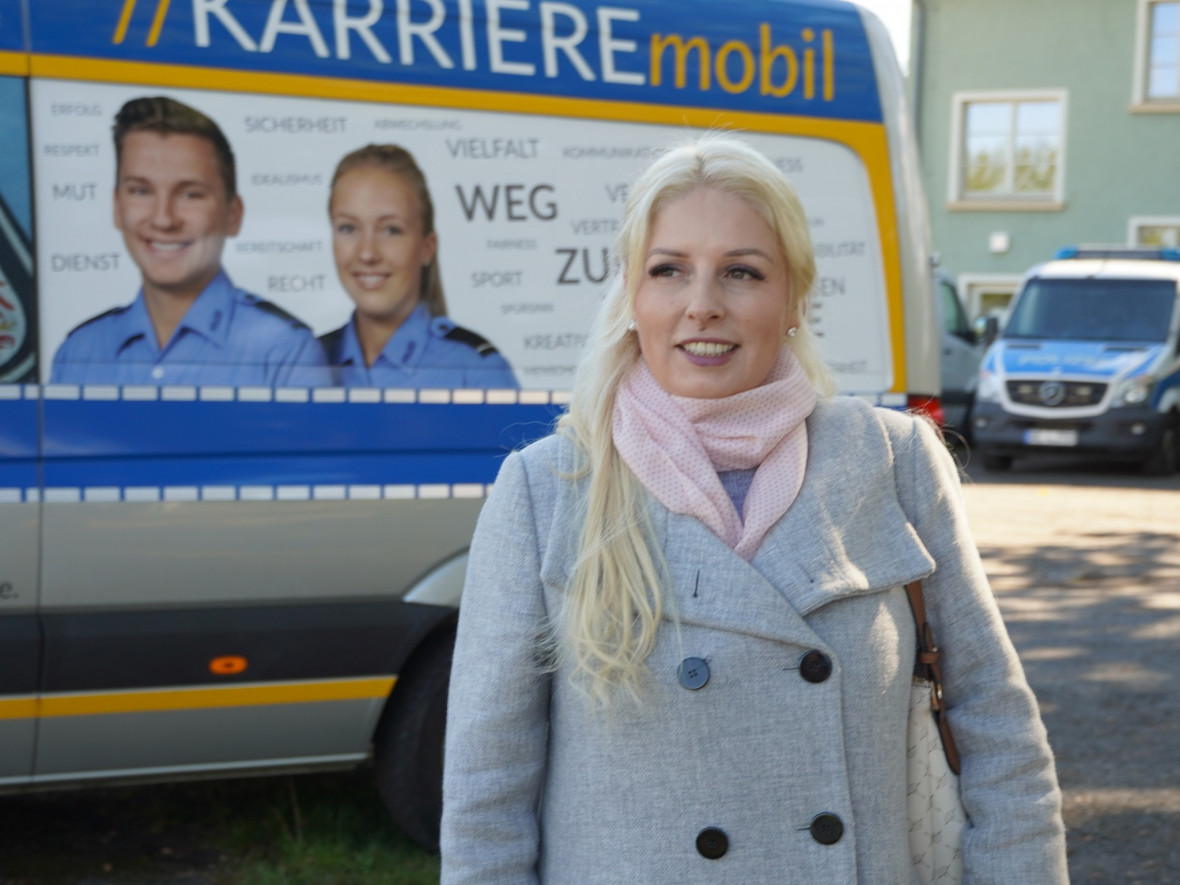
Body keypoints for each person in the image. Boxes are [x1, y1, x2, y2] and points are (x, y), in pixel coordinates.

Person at [440, 135, 1068, 883]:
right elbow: (486, 802)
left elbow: (998, 733)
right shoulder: (548, 488)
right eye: (669, 270)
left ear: (794, 298)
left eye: (741, 272)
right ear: (632, 298)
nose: (702, 304)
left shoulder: (894, 458)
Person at [51, 96, 330, 387]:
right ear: (117, 208)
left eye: (190, 195)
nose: (164, 219)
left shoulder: (283, 352)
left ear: (233, 215)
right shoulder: (79, 351)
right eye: (140, 191)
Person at [321, 144, 518, 388]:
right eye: (348, 228)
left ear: (427, 246)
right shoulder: (304, 360)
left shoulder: (477, 370)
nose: (367, 253)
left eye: (391, 230)